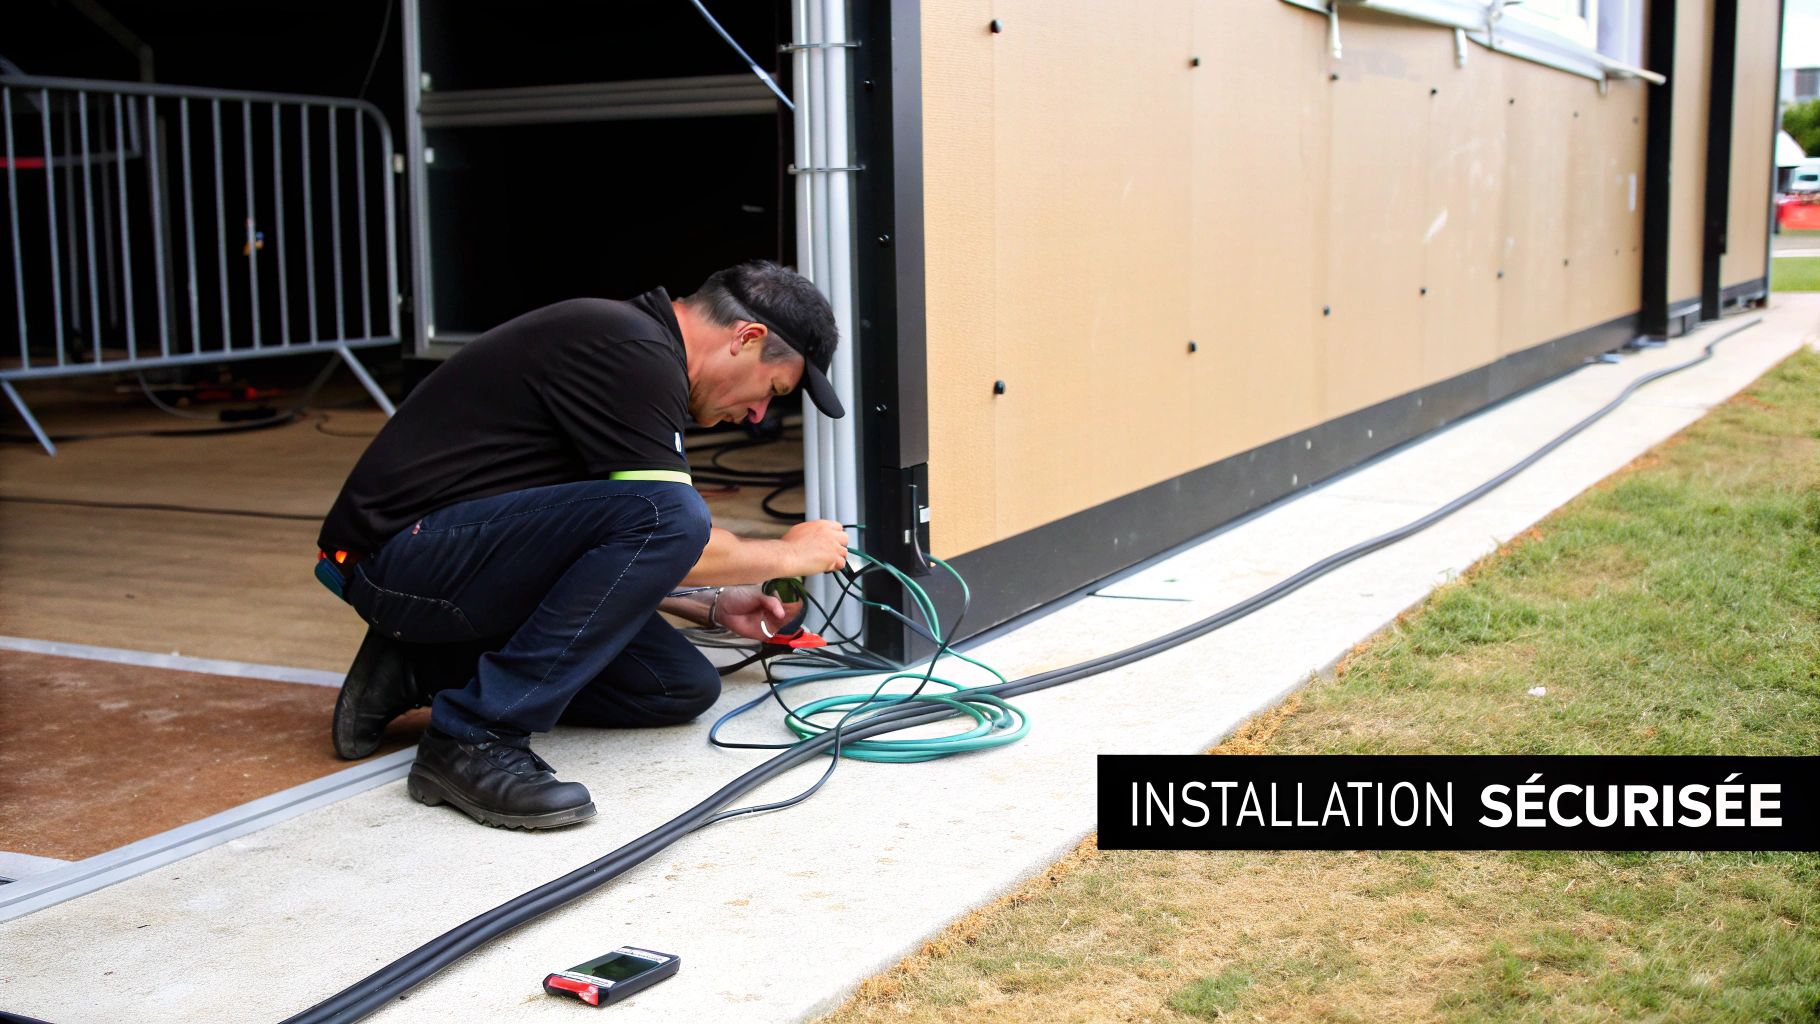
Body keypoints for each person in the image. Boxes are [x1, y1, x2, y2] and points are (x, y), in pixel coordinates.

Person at [313, 260, 850, 830]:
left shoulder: (637, 350)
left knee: (677, 687)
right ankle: (472, 737)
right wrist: (790, 555)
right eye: (774, 389)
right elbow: (670, 529)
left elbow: (590, 542)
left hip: (453, 562)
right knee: (669, 510)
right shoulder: (631, 350)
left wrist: (708, 605)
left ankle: (425, 663)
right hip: (394, 562)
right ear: (747, 338)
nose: (760, 413)